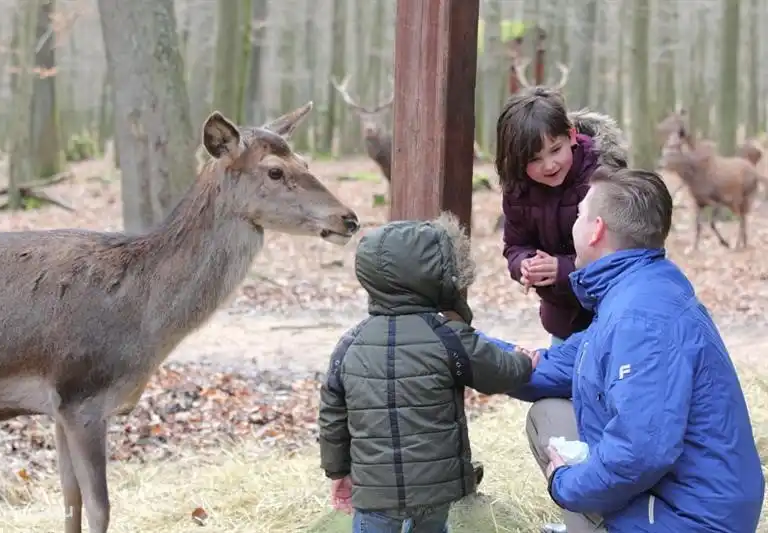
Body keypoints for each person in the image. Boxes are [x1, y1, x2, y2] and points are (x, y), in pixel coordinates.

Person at [486, 167, 765, 532]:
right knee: (550, 413)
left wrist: (565, 484)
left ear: (596, 230)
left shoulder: (641, 318)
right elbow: (553, 367)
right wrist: (459, 345)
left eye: (580, 215)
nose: (573, 225)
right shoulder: (633, 292)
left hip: (692, 519)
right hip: (684, 499)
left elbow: (641, 451)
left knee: (560, 427)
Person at [317, 212, 538, 533]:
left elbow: (332, 415)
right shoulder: (447, 336)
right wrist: (523, 362)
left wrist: (338, 472)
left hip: (375, 494)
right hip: (435, 492)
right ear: (436, 274)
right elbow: (497, 372)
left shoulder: (349, 345)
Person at [495, 86, 628, 346]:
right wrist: (525, 264)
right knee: (561, 370)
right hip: (563, 320)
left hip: (612, 315)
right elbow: (516, 245)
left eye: (555, 150)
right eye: (534, 159)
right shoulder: (519, 190)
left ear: (571, 135)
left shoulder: (602, 177)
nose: (549, 165)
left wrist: (563, 269)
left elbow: (618, 253)